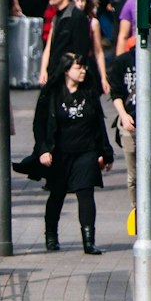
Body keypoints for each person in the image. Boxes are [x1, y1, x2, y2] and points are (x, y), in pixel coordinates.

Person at [31, 52, 113, 254]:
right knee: (57, 195)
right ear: (67, 70)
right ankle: (51, 236)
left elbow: (98, 124)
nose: (83, 70)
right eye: (79, 67)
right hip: (59, 153)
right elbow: (39, 125)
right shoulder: (51, 93)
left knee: (86, 194)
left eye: (85, 67)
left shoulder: (90, 92)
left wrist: (106, 152)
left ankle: (88, 240)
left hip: (86, 151)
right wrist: (43, 150)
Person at [106, 21, 151, 235]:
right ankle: (139, 212)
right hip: (130, 124)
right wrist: (123, 116)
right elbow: (116, 93)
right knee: (134, 175)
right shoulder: (121, 62)